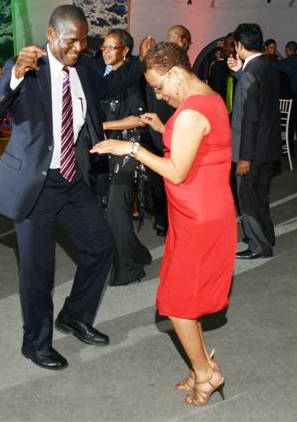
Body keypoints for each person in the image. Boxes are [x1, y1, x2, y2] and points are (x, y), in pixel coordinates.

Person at [0, 4, 150, 371]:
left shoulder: (84, 67)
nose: (78, 49)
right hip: (35, 182)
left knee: (101, 245)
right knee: (39, 271)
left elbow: (114, 83)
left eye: (84, 42)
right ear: (51, 34)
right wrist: (14, 75)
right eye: (71, 41)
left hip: (72, 178)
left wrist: (141, 60)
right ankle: (35, 343)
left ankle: (74, 316)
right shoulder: (27, 67)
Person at [91, 41, 235, 407]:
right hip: (200, 210)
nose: (158, 95)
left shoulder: (190, 112)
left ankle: (206, 375)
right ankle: (203, 366)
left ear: (175, 73)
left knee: (177, 303)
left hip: (199, 216)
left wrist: (132, 148)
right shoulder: (210, 98)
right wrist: (162, 127)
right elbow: (198, 149)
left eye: (159, 87)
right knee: (185, 297)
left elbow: (177, 170)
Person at [98, 28, 152, 286]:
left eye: (112, 47)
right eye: (104, 47)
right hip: (107, 151)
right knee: (109, 209)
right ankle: (139, 254)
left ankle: (129, 269)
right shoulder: (105, 77)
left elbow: (139, 120)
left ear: (126, 50)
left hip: (129, 150)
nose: (106, 51)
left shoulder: (132, 77)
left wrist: (102, 126)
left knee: (116, 211)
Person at [228, 24, 281, 260]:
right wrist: (239, 72)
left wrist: (244, 157)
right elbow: (259, 96)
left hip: (252, 149)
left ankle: (259, 246)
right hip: (268, 145)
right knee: (260, 196)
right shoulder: (268, 65)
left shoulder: (251, 73)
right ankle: (266, 236)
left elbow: (249, 119)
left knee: (247, 198)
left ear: (239, 45)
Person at [144, 24, 193, 237]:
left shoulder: (160, 63)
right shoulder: (173, 68)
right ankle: (166, 221)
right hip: (165, 129)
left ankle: (166, 221)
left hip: (164, 129)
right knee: (167, 179)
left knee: (166, 178)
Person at [208, 32, 235, 115]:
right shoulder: (217, 68)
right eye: (226, 44)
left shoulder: (245, 70)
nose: (227, 48)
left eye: (232, 45)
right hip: (220, 114)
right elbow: (212, 94)